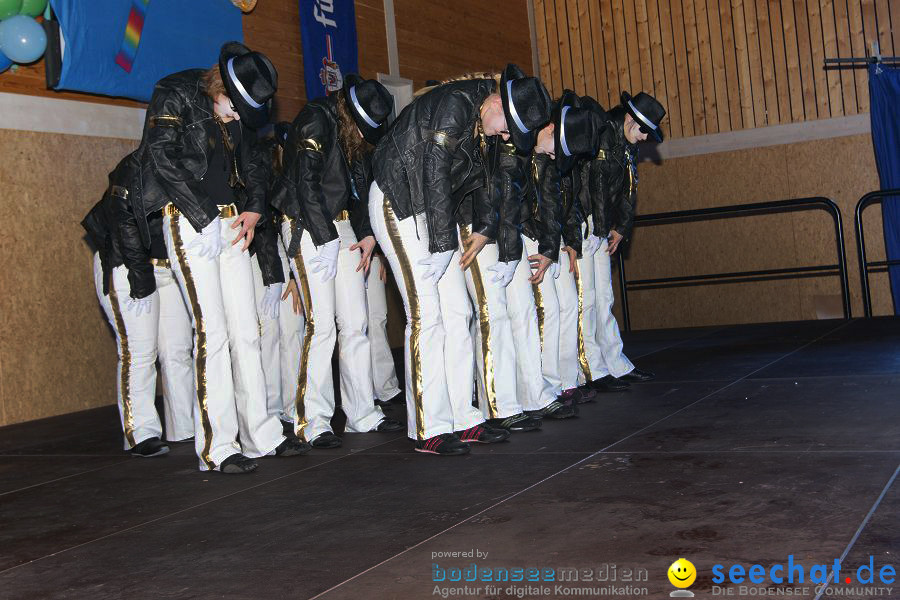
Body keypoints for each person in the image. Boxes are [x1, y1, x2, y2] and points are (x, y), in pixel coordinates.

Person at [137, 41, 309, 473]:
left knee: (247, 333)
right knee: (212, 335)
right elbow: (159, 157)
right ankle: (218, 447)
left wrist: (254, 205)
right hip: (189, 223)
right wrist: (201, 215)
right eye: (233, 109)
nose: (236, 118)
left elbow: (254, 162)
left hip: (233, 225)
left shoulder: (241, 112)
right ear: (221, 86)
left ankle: (262, 435)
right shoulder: (173, 92)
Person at [368, 63, 551, 454]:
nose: (505, 136)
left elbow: (488, 179)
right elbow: (432, 169)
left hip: (435, 212)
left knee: (457, 313)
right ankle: (429, 427)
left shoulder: (486, 116)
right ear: (497, 102)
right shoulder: (455, 103)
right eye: (506, 128)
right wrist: (440, 244)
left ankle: (462, 416)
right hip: (398, 203)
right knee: (426, 315)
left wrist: (485, 227)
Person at [272, 74, 403, 449]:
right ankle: (312, 420)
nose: (365, 136)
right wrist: (324, 238)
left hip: (339, 222)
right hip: (305, 221)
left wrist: (365, 232)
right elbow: (304, 183)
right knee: (321, 325)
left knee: (356, 322)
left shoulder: (349, 133)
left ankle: (362, 412)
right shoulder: (315, 118)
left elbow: (359, 182)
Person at [83, 151, 195, 457]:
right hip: (126, 265)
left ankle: (183, 427)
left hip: (167, 266)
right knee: (139, 352)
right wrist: (139, 278)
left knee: (177, 351)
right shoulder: (138, 164)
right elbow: (123, 222)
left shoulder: (194, 162)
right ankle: (140, 432)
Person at [580, 92, 665, 386]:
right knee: (587, 298)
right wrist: (601, 229)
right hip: (585, 221)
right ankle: (592, 368)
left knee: (604, 296)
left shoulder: (627, 143)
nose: (645, 138)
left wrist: (620, 227)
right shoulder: (604, 133)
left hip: (601, 225)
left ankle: (615, 364)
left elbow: (629, 187)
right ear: (630, 119)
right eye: (644, 131)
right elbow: (596, 186)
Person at [367, 251, 403, 407]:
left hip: (369, 249)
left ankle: (386, 388)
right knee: (352, 328)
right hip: (331, 248)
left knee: (377, 318)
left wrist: (379, 254)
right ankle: (362, 392)